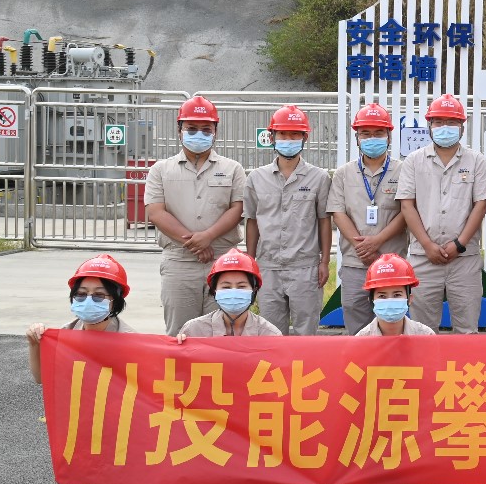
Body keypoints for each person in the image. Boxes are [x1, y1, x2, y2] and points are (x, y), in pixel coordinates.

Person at [24, 254, 162, 484]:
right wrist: (35, 345)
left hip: (126, 415)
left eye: (99, 295)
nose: (88, 301)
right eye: (81, 294)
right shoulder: (64, 335)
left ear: (115, 300)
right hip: (88, 412)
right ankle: (108, 470)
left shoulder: (131, 340)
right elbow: (41, 378)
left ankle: (145, 476)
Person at [144, 94, 245, 335]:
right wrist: (196, 243)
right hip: (179, 261)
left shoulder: (232, 169)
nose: (198, 134)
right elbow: (155, 212)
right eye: (191, 128)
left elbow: (238, 208)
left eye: (206, 129)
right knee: (180, 333)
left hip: (222, 261)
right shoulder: (160, 170)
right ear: (179, 131)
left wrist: (208, 236)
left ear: (215, 132)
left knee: (222, 332)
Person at [341, 253, 435, 484]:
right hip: (375, 412)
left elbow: (435, 382)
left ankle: (419, 465)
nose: (389, 301)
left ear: (409, 298)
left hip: (413, 407)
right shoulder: (361, 340)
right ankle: (359, 479)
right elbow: (352, 388)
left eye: (397, 294)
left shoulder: (425, 336)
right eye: (382, 296)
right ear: (371, 300)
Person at [396, 94, 486, 334]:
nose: (444, 127)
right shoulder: (414, 161)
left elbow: (480, 205)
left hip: (464, 259)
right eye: (438, 122)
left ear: (462, 126)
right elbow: (407, 206)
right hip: (423, 257)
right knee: (422, 331)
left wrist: (459, 244)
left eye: (451, 122)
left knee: (467, 330)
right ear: (429, 125)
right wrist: (427, 245)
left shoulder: (477, 161)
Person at [244, 104, 332, 335]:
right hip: (268, 266)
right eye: (282, 134)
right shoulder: (256, 178)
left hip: (305, 267)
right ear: (272, 137)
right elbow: (252, 221)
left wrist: (324, 262)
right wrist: (250, 263)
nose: (288, 140)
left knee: (306, 332)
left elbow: (324, 220)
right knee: (271, 332)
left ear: (305, 138)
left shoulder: (319, 178)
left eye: (294, 134)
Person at [328, 102, 408, 335]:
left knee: (392, 322)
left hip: (392, 261)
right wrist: (362, 248)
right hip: (356, 262)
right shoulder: (343, 173)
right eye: (365, 133)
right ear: (357, 138)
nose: (372, 138)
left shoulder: (403, 170)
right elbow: (338, 212)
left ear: (389, 136)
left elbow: (406, 211)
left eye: (378, 133)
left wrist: (377, 242)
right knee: (356, 321)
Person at [175, 250, 283, 338]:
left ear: (254, 290)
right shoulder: (193, 331)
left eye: (241, 286)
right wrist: (180, 346)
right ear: (214, 290)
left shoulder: (270, 335)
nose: (234, 292)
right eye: (226, 287)